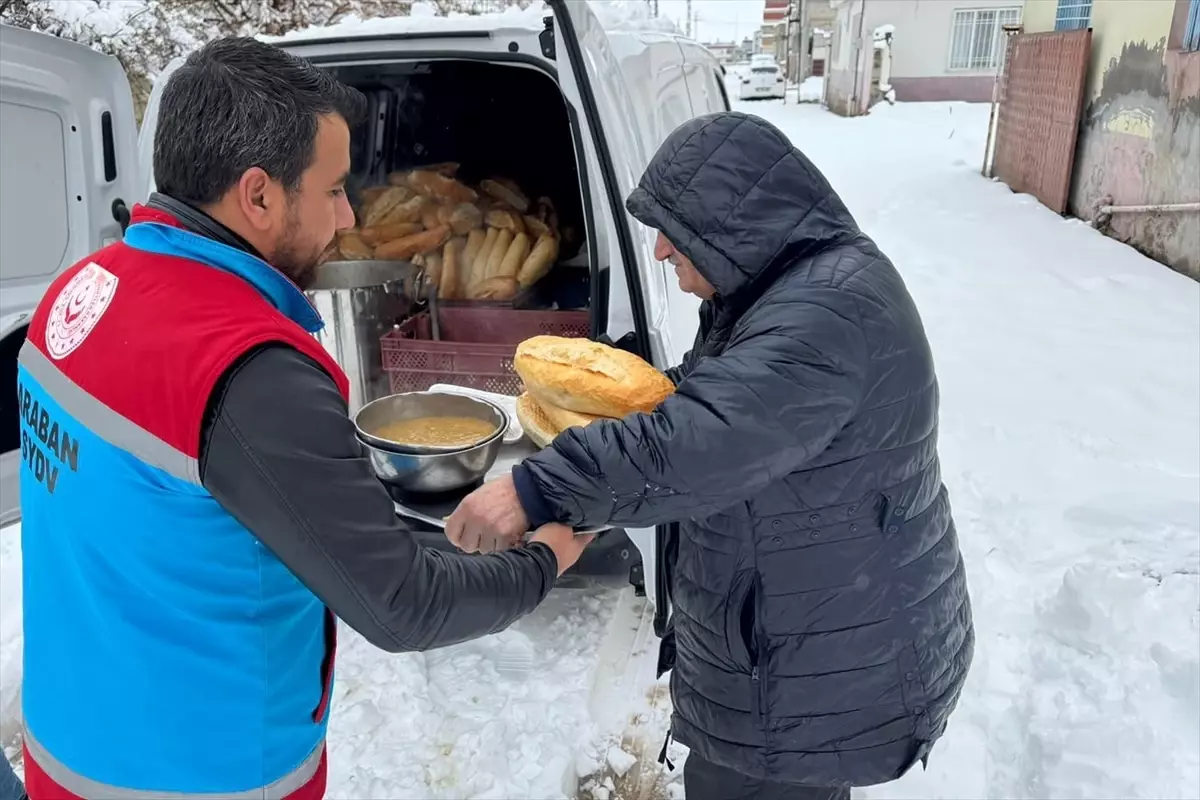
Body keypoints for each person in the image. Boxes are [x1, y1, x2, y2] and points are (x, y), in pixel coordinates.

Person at [16, 37, 590, 799]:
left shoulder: (77, 294)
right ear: (257, 195)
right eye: (333, 190)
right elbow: (403, 606)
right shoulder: (248, 371)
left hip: (68, 746)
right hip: (199, 777)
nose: (349, 214)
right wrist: (543, 560)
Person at [446, 111, 975, 800]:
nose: (662, 252)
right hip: (802, 645)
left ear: (736, 224)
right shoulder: (775, 290)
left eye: (677, 232)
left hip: (813, 674)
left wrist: (536, 489)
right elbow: (704, 413)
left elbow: (694, 442)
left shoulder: (826, 314)